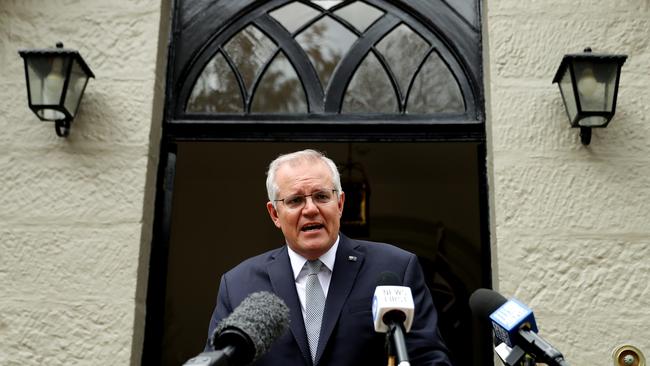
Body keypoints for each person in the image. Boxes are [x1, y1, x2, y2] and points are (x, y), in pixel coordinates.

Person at [205, 149, 452, 365]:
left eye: (322, 196)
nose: (311, 209)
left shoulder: (395, 268)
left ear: (340, 203)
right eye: (295, 200)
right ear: (275, 214)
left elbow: (429, 359)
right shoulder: (238, 285)